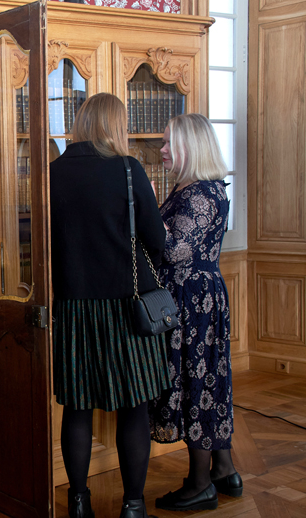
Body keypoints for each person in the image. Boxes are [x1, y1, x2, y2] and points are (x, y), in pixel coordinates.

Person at [50, 92, 169, 518]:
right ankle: (133, 506)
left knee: (77, 407)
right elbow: (158, 241)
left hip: (73, 308)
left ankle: (79, 503)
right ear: (114, 126)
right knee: (134, 407)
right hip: (127, 308)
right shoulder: (128, 169)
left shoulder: (51, 173)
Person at [150, 113, 241, 511]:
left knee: (197, 383)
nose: (162, 149)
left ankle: (200, 484)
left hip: (193, 302)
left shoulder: (199, 193)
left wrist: (145, 211)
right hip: (195, 298)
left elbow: (174, 251)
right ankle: (224, 470)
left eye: (169, 142)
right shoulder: (192, 188)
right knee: (205, 379)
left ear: (190, 146)